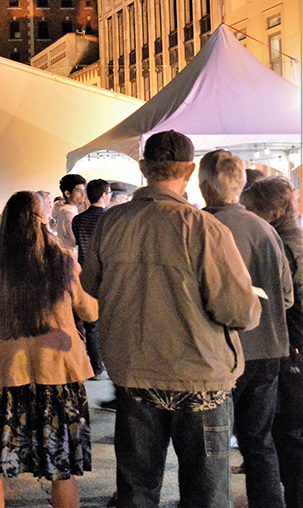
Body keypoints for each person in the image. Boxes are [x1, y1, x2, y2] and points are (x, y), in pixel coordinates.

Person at [80, 130, 261, 508]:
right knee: (206, 493)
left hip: (135, 373)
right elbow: (237, 310)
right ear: (190, 170)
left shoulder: (111, 223)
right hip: (200, 377)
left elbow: (91, 286)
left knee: (137, 489)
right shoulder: (204, 228)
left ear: (144, 168)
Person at [0, 191, 98, 508]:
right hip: (58, 374)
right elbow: (90, 312)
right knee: (60, 468)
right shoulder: (63, 262)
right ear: (42, 223)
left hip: (5, 374)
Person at [199, 150, 293, 508]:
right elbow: (285, 297)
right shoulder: (266, 229)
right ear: (240, 185)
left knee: (213, 446)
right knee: (259, 441)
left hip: (220, 353)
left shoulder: (198, 226)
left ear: (204, 184)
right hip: (268, 350)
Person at [242, 177, 303, 508]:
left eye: (254, 209)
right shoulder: (291, 240)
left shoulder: (282, 246)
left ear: (275, 210)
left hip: (292, 348)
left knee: (289, 434)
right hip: (295, 347)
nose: (249, 215)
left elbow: (282, 302)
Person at [71, 178, 111, 379]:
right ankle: (104, 364)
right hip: (105, 274)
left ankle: (95, 366)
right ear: (104, 195)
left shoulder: (77, 219)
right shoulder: (108, 218)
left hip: (83, 274)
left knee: (89, 322)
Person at [52, 174, 86, 254]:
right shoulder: (68, 214)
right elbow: (78, 239)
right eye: (78, 191)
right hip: (71, 256)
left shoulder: (67, 210)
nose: (83, 194)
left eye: (83, 191)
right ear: (67, 193)